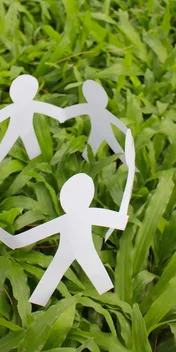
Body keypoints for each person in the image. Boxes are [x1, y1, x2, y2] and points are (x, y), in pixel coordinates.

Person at [11, 130, 135, 306]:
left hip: (81, 250)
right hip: (74, 249)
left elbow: (120, 221)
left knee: (88, 279)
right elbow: (119, 220)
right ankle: (109, 300)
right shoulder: (87, 214)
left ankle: (110, 302)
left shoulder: (78, 216)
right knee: (79, 277)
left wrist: (14, 241)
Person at [0, 74, 64, 172]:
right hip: (15, 128)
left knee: (27, 148)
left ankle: (38, 169)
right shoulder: (18, 106)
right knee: (5, 146)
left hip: (26, 130)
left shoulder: (29, 104)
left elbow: (52, 110)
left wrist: (62, 115)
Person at [62, 80, 128, 164]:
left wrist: (126, 130)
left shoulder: (97, 109)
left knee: (115, 148)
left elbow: (116, 121)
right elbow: (73, 111)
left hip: (105, 131)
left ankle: (127, 164)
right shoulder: (90, 107)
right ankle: (87, 164)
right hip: (97, 132)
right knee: (96, 148)